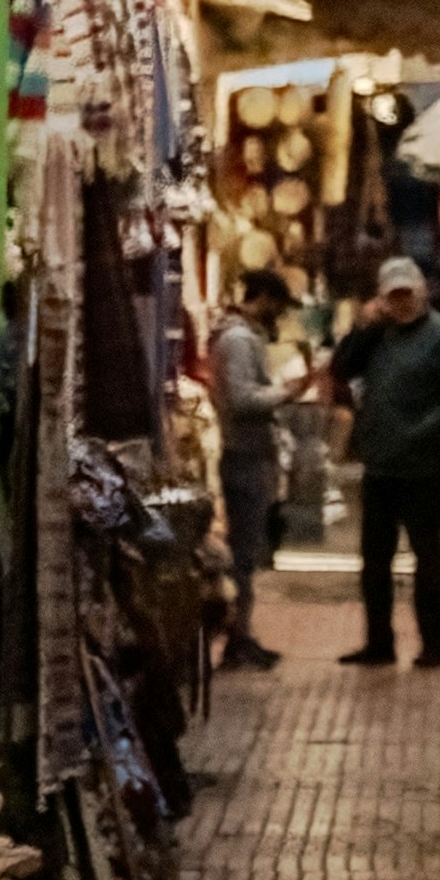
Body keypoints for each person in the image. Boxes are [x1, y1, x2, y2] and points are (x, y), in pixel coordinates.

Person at [334, 253, 440, 666]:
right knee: (374, 561)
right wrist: (363, 328)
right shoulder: (379, 335)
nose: (400, 303)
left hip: (421, 468)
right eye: (391, 296)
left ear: (420, 293)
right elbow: (342, 369)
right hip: (379, 466)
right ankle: (379, 642)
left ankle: (433, 645)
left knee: (426, 557)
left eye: (406, 294)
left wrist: (420, 431)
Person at [205, 271, 296, 666]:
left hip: (247, 454)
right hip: (245, 455)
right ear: (264, 298)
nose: (278, 314)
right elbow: (242, 398)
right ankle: (238, 638)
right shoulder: (239, 340)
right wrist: (285, 393)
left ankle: (242, 634)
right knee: (244, 552)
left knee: (247, 549)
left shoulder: (237, 336)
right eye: (277, 304)